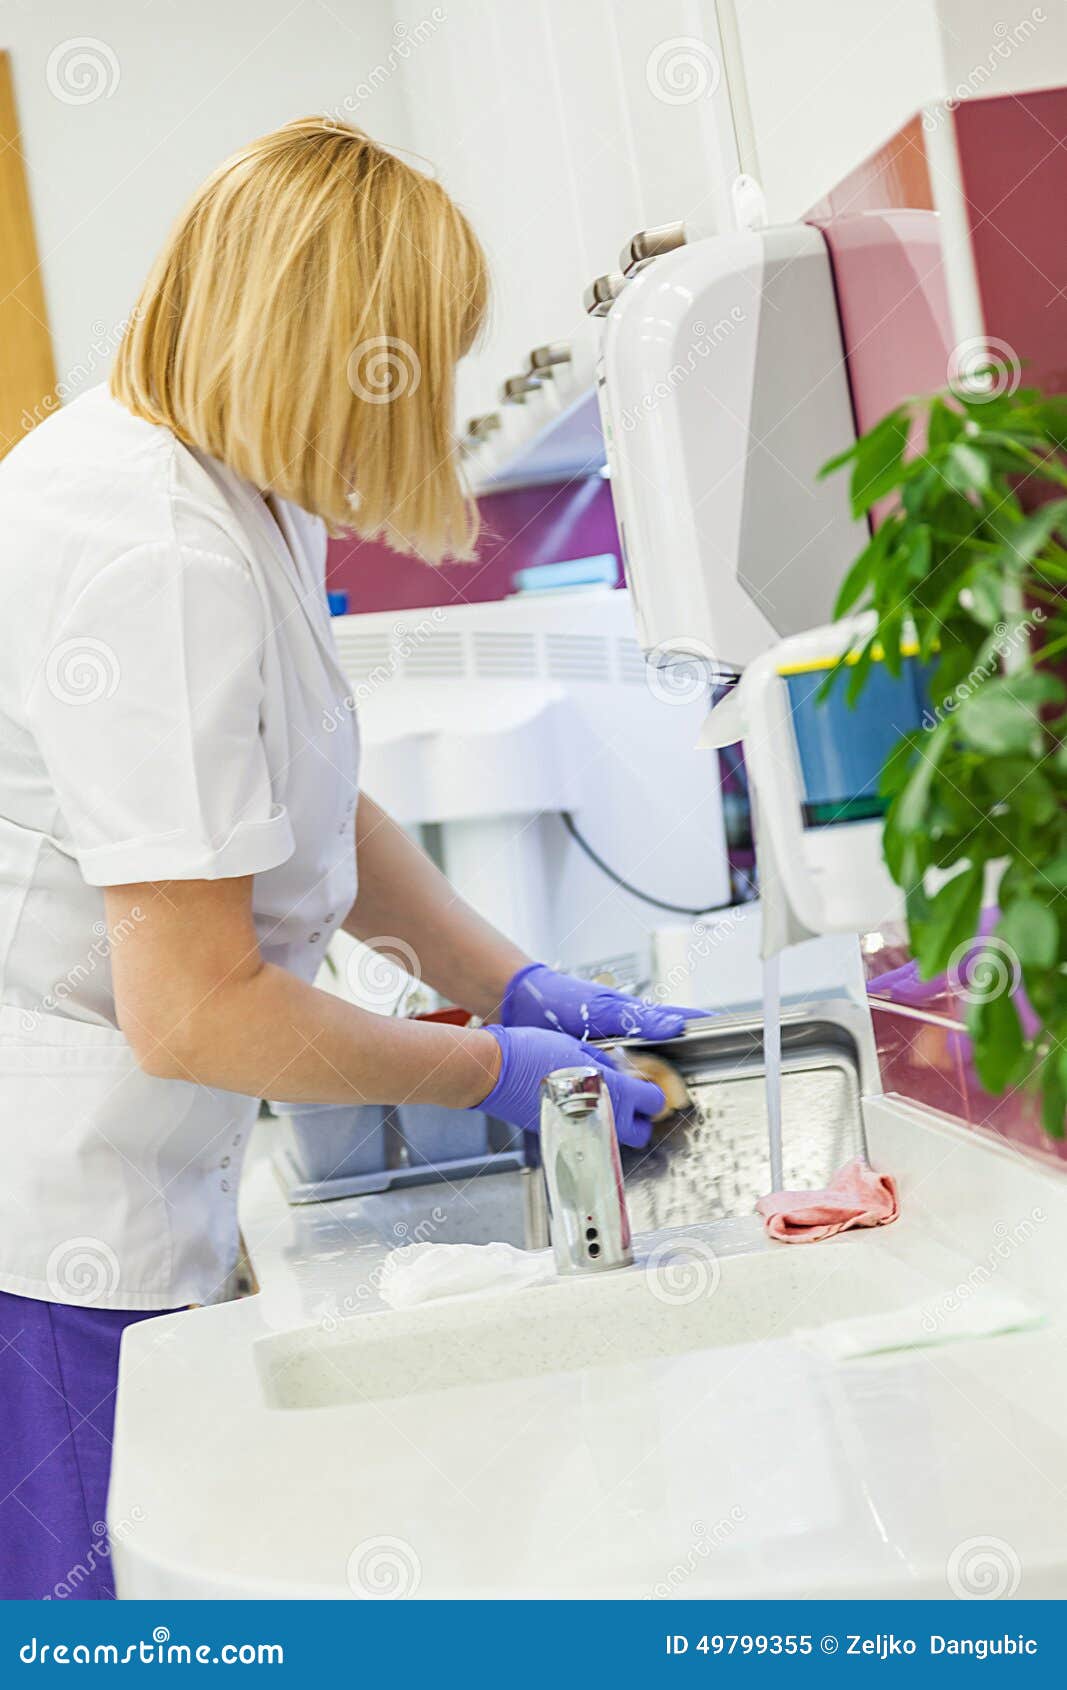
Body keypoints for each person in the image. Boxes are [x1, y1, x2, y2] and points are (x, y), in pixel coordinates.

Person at [0, 118, 693, 1599]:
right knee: (82, 1634)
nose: (424, 400)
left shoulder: (236, 494)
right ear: (329, 344)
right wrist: (493, 1067)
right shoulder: (147, 546)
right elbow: (194, 1005)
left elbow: (312, 809)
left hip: (126, 1193)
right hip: (47, 1230)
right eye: (417, 358)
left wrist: (519, 983)